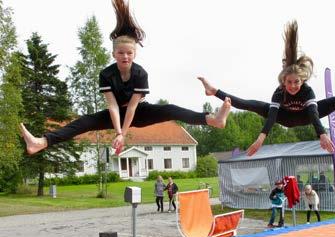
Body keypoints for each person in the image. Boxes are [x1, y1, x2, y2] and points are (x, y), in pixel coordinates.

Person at [19, 0, 232, 156]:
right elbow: (113, 107)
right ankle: (41, 142)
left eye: (129, 53)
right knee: (84, 122)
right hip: (116, 114)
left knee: (170, 109)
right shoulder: (106, 74)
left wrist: (122, 134)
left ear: (135, 54)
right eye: (121, 53)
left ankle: (213, 120)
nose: (125, 56)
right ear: (114, 54)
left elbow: (131, 108)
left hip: (139, 111)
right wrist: (119, 133)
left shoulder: (140, 74)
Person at [198, 20, 335, 156]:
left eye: (297, 82)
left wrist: (321, 134)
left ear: (302, 81)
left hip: (305, 115)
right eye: (289, 83)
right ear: (283, 82)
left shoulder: (307, 92)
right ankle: (214, 91)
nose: (293, 86)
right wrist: (260, 140)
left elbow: (313, 112)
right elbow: (271, 117)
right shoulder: (279, 93)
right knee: (249, 104)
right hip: (284, 117)